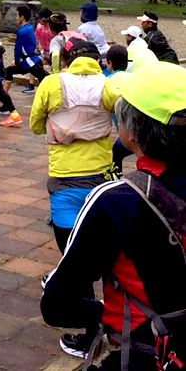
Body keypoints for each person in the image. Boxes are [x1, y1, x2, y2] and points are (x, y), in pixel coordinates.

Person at [41, 62, 186, 368]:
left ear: (130, 131)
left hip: (146, 352)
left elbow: (56, 304)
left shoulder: (116, 202)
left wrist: (104, 311)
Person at [30, 38, 117, 255]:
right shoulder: (109, 85)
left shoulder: (51, 83)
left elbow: (36, 126)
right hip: (100, 175)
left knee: (69, 249)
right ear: (98, 61)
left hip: (64, 178)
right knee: (98, 247)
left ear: (67, 62)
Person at [3, 5, 48, 94]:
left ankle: (3, 96)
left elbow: (17, 49)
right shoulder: (30, 28)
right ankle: (3, 95)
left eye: (17, 15)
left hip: (29, 62)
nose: (16, 18)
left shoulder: (21, 31)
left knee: (46, 79)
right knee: (44, 78)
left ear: (22, 17)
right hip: (33, 60)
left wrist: (16, 61)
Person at [104, 44, 133, 173]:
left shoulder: (107, 82)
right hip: (146, 128)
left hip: (128, 134)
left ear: (109, 63)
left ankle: (117, 178)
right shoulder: (133, 77)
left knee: (116, 154)